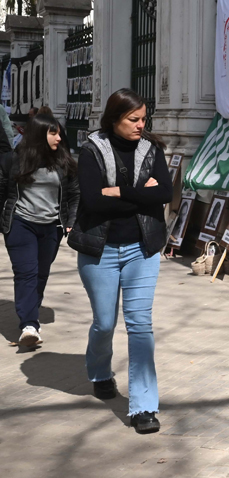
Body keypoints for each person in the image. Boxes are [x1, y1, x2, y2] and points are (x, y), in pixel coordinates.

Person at [70, 89, 173, 434]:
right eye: (134, 119)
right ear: (114, 118)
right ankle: (100, 372)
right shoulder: (91, 151)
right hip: (100, 250)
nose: (141, 125)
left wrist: (120, 191)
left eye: (144, 119)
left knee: (140, 325)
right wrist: (142, 194)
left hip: (141, 249)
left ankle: (144, 407)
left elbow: (164, 194)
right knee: (104, 322)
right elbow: (94, 203)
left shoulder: (152, 149)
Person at [0, 112, 78, 347]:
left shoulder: (65, 161)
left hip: (52, 226)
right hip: (20, 223)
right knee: (26, 273)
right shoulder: (13, 160)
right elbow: (2, 191)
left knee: (41, 274)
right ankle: (29, 325)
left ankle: (29, 313)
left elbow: (75, 193)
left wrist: (71, 220)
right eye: (52, 133)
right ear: (38, 134)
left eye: (59, 133)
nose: (58, 138)